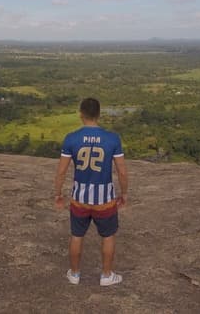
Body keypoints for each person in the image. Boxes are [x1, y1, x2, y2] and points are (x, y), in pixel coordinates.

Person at [53, 98, 128, 286]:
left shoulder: (71, 138)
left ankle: (75, 274)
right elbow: (122, 171)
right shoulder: (112, 138)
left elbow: (61, 171)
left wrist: (58, 194)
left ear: (81, 114)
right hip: (105, 200)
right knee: (108, 236)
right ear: (99, 114)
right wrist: (124, 194)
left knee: (77, 235)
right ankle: (106, 275)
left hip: (80, 199)